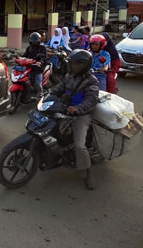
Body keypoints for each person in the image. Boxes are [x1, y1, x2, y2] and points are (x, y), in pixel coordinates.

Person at [49, 49, 100, 190]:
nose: (71, 66)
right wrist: (49, 95)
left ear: (83, 65)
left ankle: (88, 171)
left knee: (79, 144)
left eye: (75, 64)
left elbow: (91, 100)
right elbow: (59, 88)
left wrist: (78, 108)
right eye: (71, 64)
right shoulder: (69, 76)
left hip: (81, 114)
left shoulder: (91, 81)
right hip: (64, 108)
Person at [21, 32, 47, 99]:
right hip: (29, 66)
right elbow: (25, 55)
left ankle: (40, 92)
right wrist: (19, 59)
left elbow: (43, 57)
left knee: (37, 82)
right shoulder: (29, 48)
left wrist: (40, 62)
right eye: (32, 41)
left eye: (35, 41)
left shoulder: (42, 48)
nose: (34, 42)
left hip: (38, 67)